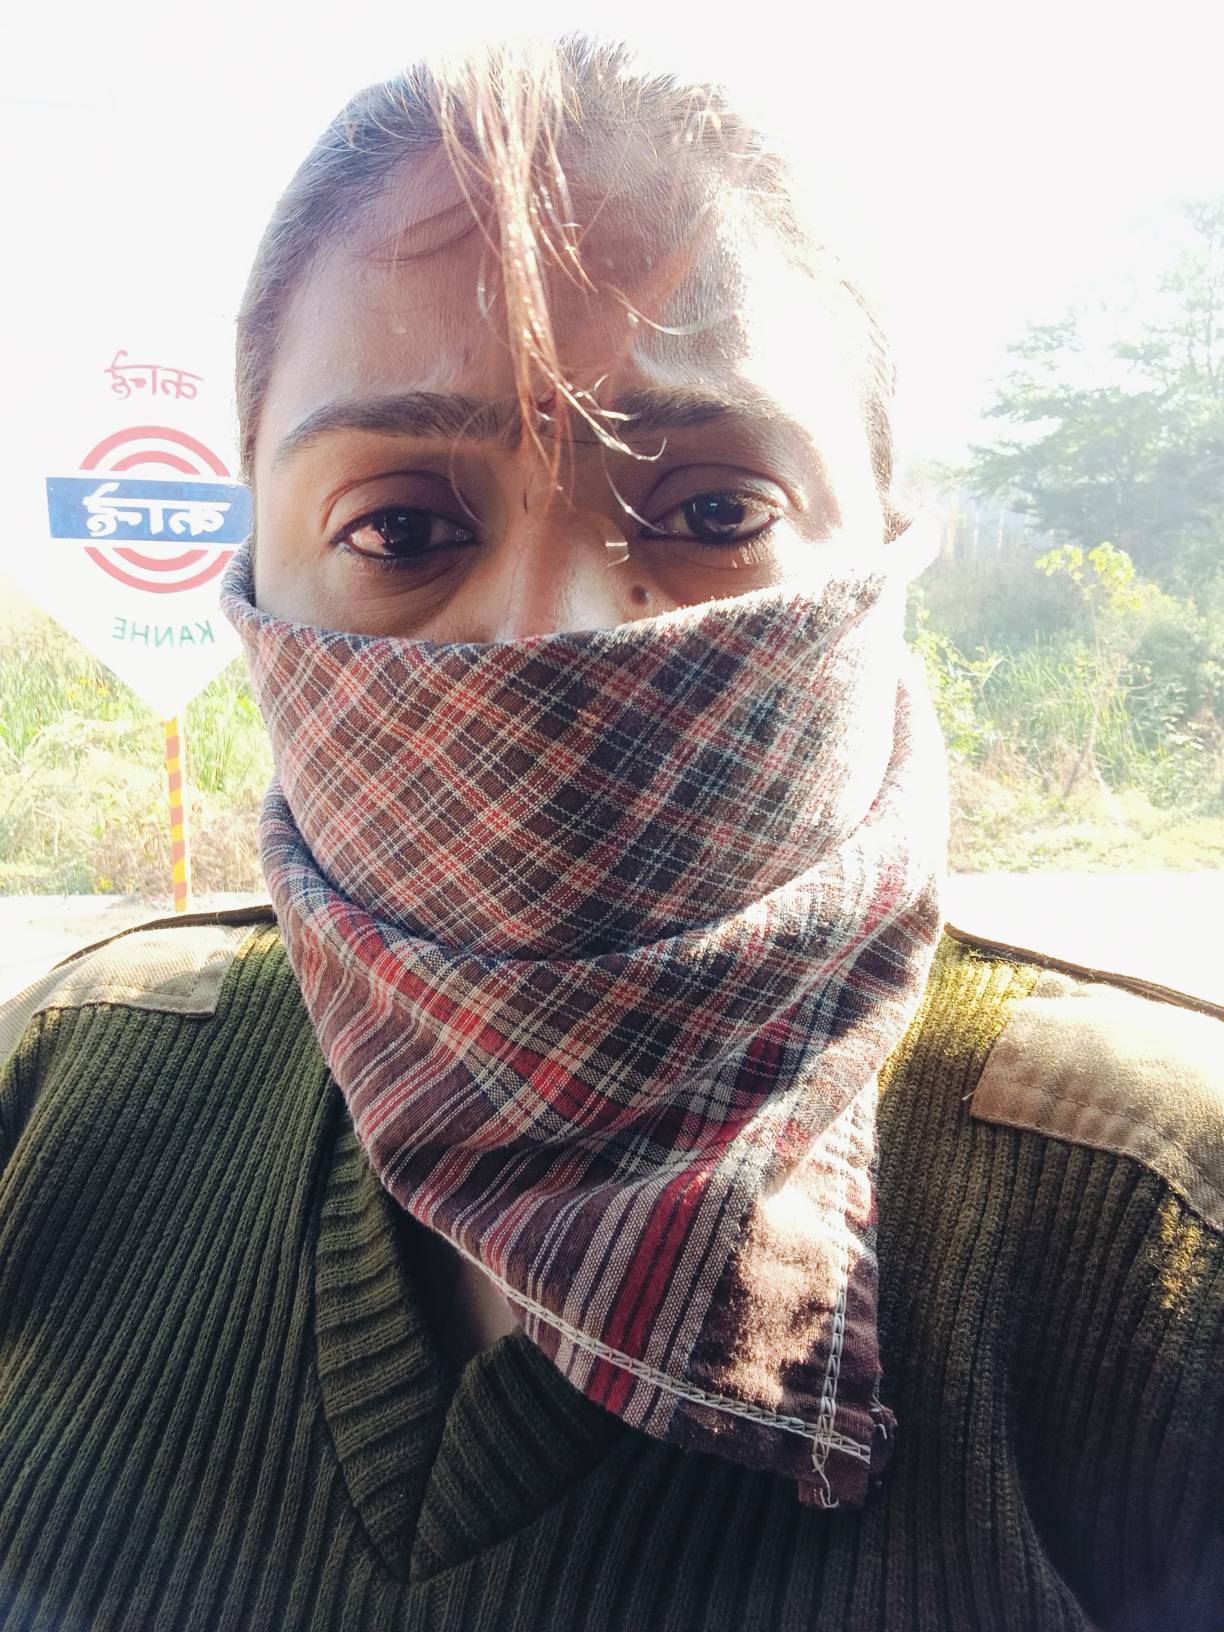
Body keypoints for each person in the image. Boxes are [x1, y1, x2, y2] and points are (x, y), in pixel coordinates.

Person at [0, 33, 1220, 1632]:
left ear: (882, 547)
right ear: (255, 580)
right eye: (399, 527)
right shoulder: (65, 1097)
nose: (550, 634)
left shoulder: (1161, 1231)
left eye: (714, 512)